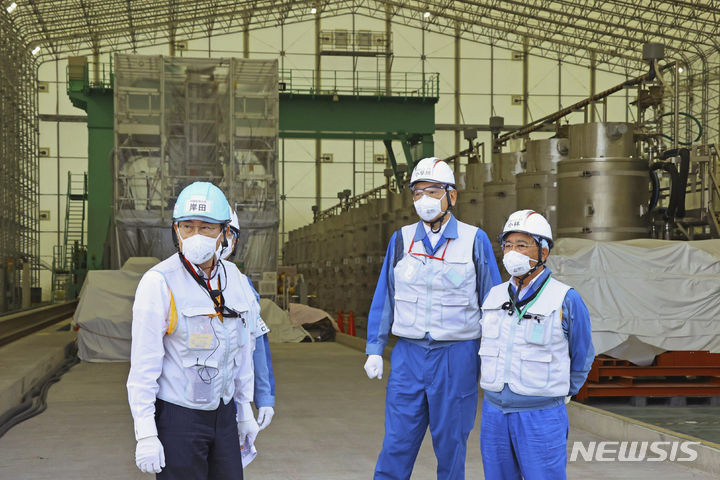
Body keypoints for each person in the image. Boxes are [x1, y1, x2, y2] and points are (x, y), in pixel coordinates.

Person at [364, 157, 501, 480]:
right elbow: (385, 295)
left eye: (433, 191)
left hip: (457, 356)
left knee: (451, 445)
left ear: (451, 196)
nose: (424, 199)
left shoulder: (473, 240)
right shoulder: (402, 240)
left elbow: (493, 305)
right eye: (417, 192)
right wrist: (374, 346)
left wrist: (494, 358)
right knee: (397, 441)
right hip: (409, 355)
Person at [127, 182, 260, 479]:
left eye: (206, 227)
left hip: (224, 415)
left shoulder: (235, 279)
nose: (195, 236)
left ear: (225, 232)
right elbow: (143, 368)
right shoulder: (159, 282)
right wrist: (146, 433)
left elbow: (243, 351)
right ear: (176, 230)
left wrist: (244, 408)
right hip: (179, 417)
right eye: (187, 227)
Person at [478, 209, 595, 480]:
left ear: (543, 252)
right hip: (494, 413)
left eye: (522, 244)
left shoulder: (565, 298)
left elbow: (582, 353)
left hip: (541, 415)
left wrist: (564, 391)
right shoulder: (494, 296)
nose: (512, 252)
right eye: (508, 245)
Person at [219, 208, 276, 430]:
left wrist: (264, 397)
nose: (221, 240)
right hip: (182, 399)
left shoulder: (242, 285)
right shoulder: (170, 282)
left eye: (228, 233)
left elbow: (257, 344)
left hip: (230, 397)